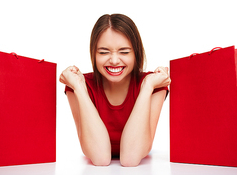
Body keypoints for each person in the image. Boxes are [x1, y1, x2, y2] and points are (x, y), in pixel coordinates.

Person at [59, 14, 171, 167]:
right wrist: (79, 87)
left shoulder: (154, 83)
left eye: (124, 52)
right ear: (93, 53)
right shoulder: (78, 85)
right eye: (104, 52)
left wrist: (147, 87)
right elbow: (100, 158)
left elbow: (131, 158)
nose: (114, 60)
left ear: (136, 53)